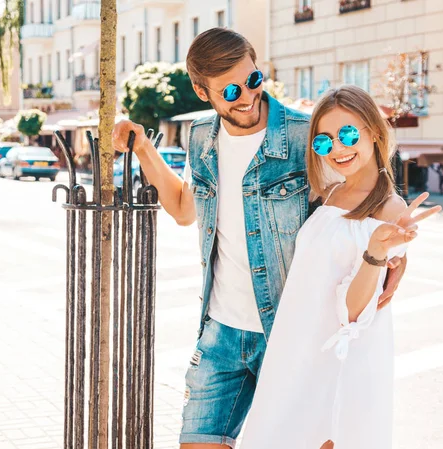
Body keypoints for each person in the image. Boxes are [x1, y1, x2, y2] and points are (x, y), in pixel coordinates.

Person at [112, 28, 406, 449]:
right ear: (202, 90)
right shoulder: (201, 137)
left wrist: (395, 250)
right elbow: (182, 208)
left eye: (253, 80)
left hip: (289, 331)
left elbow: (361, 186)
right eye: (230, 90)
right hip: (221, 332)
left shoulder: (306, 136)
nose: (247, 96)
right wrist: (143, 148)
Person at [239, 85, 441, 449]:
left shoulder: (391, 210)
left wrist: (377, 253)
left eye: (348, 134)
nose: (338, 149)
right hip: (296, 349)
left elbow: (354, 312)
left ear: (375, 133)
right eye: (324, 141)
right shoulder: (329, 194)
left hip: (338, 362)